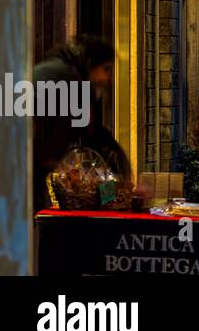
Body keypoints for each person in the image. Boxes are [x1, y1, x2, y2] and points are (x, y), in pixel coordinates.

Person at [33, 34, 132, 207]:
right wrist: (122, 180)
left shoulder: (59, 71)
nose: (108, 79)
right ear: (91, 64)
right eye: (107, 69)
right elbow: (92, 137)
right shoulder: (68, 78)